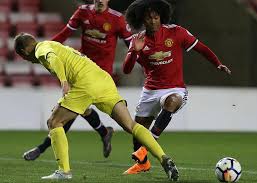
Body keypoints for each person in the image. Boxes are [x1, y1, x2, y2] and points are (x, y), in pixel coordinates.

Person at [14, 33, 179, 181]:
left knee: (54, 122)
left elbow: (53, 59)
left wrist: (63, 82)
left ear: (23, 52)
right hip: (103, 80)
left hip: (85, 83)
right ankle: (164, 158)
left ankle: (63, 171)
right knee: (131, 125)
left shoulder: (40, 49)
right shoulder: (52, 44)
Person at [122, 0, 231, 175]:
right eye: (148, 18)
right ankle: (142, 163)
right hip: (150, 90)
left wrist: (217, 63)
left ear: (161, 16)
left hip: (174, 88)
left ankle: (149, 144)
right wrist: (134, 50)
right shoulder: (138, 40)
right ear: (142, 20)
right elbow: (126, 70)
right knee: (137, 131)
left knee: (173, 101)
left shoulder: (176, 32)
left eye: (156, 17)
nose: (153, 21)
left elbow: (201, 48)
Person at [22, 0, 132, 161]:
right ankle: (104, 132)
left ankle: (42, 148)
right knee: (80, 110)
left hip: (100, 75)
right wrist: (46, 48)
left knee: (67, 113)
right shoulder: (83, 12)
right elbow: (64, 34)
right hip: (80, 70)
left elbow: (131, 45)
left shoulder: (117, 19)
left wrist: (145, 61)